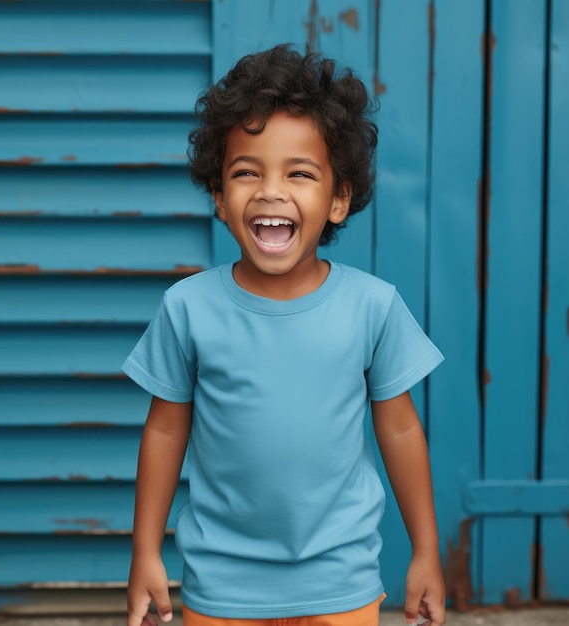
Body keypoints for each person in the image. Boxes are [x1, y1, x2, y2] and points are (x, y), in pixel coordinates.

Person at [123, 44, 446, 626]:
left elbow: (398, 426)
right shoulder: (187, 308)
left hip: (340, 581)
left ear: (339, 199)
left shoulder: (373, 306)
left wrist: (426, 551)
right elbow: (166, 429)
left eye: (300, 173)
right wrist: (145, 553)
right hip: (221, 584)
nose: (271, 191)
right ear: (220, 197)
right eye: (246, 172)